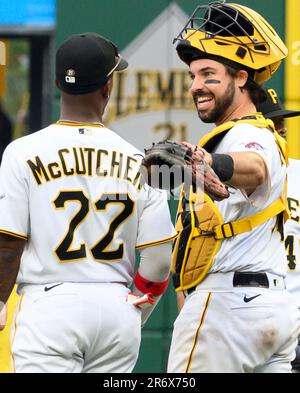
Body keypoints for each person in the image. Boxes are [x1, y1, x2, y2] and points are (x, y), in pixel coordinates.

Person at [0, 32, 176, 373]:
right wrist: (135, 309)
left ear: (57, 83)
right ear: (108, 87)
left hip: (48, 305)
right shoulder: (138, 158)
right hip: (114, 303)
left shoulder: (22, 152)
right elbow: (158, 260)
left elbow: (8, 242)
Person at [167, 2, 300, 373]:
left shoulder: (247, 133)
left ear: (241, 78)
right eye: (193, 76)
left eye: (208, 74)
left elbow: (253, 168)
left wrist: (212, 163)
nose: (196, 86)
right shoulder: (251, 132)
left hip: (228, 309)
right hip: (273, 311)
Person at [257, 87, 300, 373]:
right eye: (273, 125)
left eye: (282, 123)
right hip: (242, 312)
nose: (281, 129)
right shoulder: (220, 178)